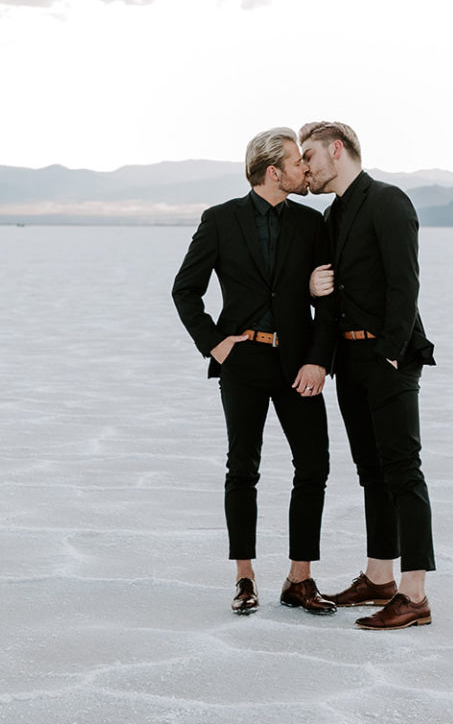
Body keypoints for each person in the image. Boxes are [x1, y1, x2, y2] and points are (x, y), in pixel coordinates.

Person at [172, 128, 337, 616]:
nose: (305, 169)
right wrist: (215, 345)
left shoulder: (312, 224)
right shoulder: (220, 220)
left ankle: (299, 579)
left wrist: (318, 359)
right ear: (273, 171)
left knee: (314, 466)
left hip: (298, 365)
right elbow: (186, 290)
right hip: (243, 362)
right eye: (296, 162)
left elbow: (327, 301)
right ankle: (245, 577)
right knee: (242, 469)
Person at [300, 120, 436, 631]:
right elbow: (335, 296)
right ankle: (379, 578)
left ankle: (414, 593)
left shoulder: (387, 200)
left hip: (387, 360)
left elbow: (406, 282)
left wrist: (391, 353)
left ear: (338, 150)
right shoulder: (334, 217)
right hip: (349, 361)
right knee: (371, 473)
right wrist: (312, 289)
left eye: (310, 155)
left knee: (403, 471)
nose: (305, 167)